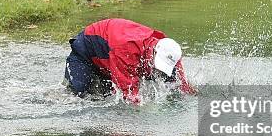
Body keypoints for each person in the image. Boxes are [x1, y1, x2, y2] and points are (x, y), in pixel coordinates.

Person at [64, 18, 196, 104]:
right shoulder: (126, 50)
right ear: (153, 51)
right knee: (79, 96)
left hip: (111, 56)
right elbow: (129, 95)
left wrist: (188, 91)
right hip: (85, 54)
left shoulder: (168, 48)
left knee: (170, 80)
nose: (157, 69)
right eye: (157, 64)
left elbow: (180, 78)